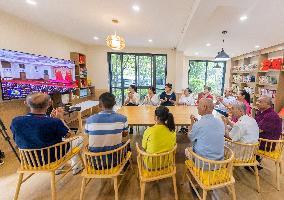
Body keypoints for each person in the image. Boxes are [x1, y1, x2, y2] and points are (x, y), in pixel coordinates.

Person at [10, 92, 83, 175]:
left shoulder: (15, 121)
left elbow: (34, 130)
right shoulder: (53, 122)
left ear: (25, 103)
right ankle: (75, 167)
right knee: (79, 139)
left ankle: (59, 168)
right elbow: (69, 135)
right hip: (51, 158)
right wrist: (61, 119)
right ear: (50, 103)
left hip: (28, 160)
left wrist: (52, 119)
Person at [85, 92, 129, 168]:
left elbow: (89, 136)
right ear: (114, 103)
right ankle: (124, 168)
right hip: (115, 161)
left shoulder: (89, 120)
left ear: (99, 105)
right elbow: (125, 135)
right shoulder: (123, 118)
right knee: (127, 145)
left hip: (95, 162)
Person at [187, 98, 225, 165]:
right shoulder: (220, 123)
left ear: (204, 107)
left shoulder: (199, 124)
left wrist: (192, 123)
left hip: (203, 164)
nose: (197, 107)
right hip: (220, 163)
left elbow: (190, 137)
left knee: (187, 150)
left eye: (199, 105)